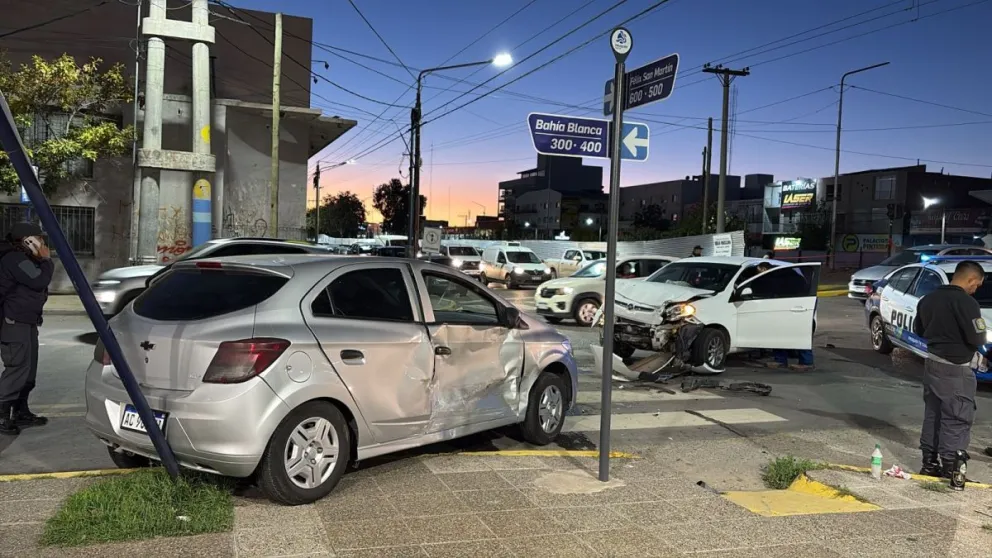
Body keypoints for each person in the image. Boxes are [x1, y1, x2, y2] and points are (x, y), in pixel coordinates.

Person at [912, 260, 984, 478]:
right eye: (977, 285)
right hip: (956, 369)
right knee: (957, 418)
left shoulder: (928, 299)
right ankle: (952, 469)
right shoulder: (967, 303)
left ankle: (929, 463)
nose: (976, 289)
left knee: (933, 415)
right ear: (970, 279)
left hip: (932, 364)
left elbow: (919, 329)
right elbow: (977, 337)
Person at [0, 222, 54, 435]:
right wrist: (47, 260)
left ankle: (20, 411)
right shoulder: (15, 259)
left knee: (29, 369)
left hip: (27, 321)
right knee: (17, 367)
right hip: (14, 321)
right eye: (38, 238)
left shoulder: (27, 259)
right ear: (27, 241)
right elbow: (38, 280)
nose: (42, 242)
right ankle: (2, 415)